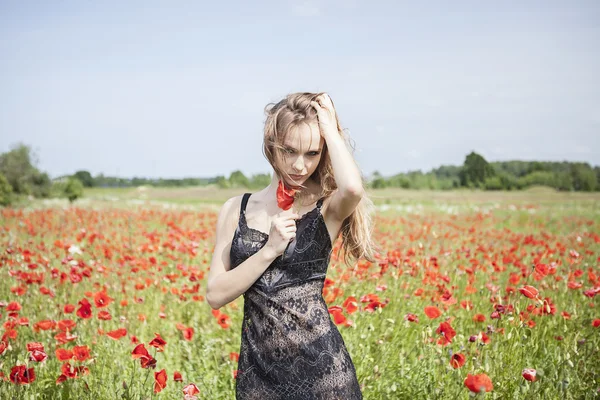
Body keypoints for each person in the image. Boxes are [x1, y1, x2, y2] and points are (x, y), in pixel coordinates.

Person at [206, 92, 376, 400]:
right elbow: (215, 294)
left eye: (312, 153)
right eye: (290, 150)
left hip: (325, 376)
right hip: (259, 377)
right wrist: (269, 250)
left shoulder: (326, 208)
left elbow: (352, 187)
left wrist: (330, 129)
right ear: (272, 145)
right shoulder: (236, 209)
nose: (300, 165)